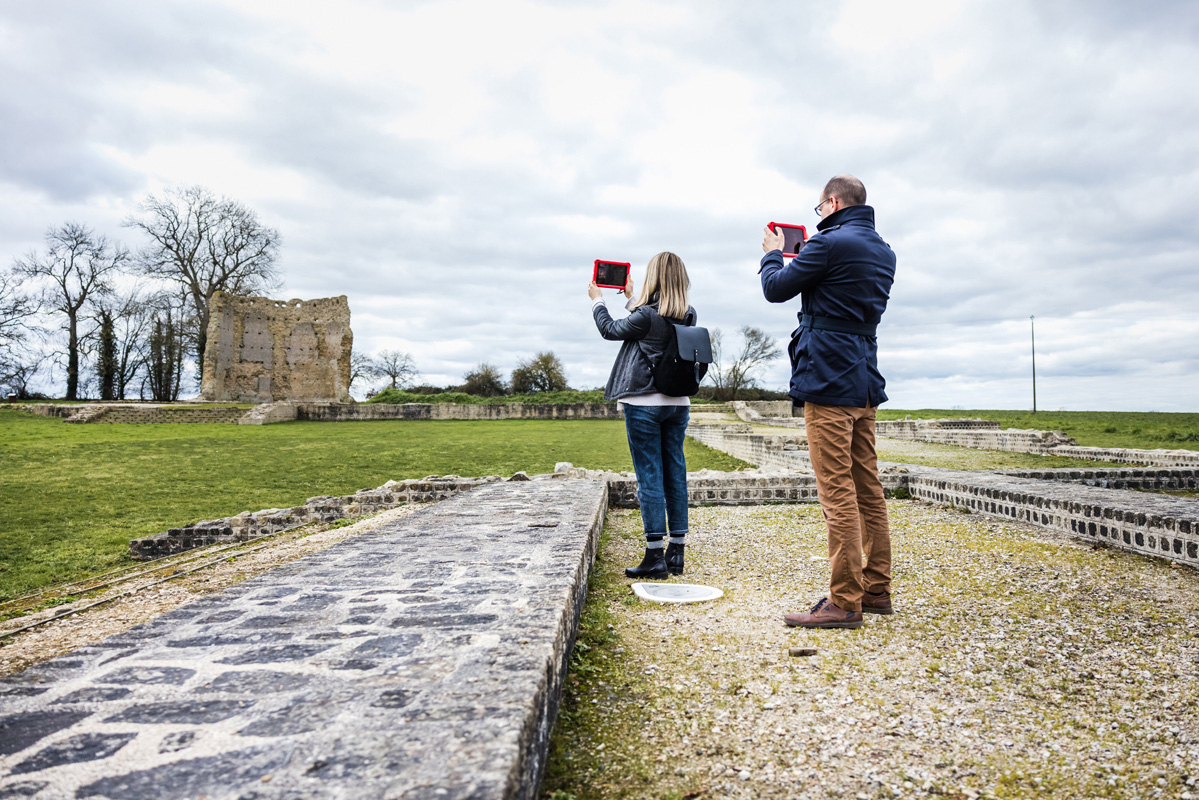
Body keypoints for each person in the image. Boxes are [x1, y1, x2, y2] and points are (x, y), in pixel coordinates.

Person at [759, 174, 897, 629]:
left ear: (833, 202)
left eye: (820, 209)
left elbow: (776, 288)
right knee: (867, 487)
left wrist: (772, 255)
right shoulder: (883, 250)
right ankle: (876, 590)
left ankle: (845, 601)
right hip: (863, 381)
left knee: (836, 490)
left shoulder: (829, 243)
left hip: (827, 381)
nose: (818, 217)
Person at [589, 252, 697, 580]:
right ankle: (676, 551)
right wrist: (630, 298)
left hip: (644, 404)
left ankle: (654, 556)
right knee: (674, 473)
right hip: (678, 404)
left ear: (655, 277)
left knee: (649, 476)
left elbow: (610, 329)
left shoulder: (647, 317)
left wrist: (597, 301)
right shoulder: (689, 315)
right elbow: (655, 320)